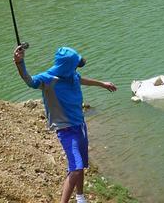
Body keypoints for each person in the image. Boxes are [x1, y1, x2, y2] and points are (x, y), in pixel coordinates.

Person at [13, 45, 117, 203]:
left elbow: (81, 79)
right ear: (67, 65)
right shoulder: (48, 79)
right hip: (66, 130)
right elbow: (30, 81)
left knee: (81, 165)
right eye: (75, 64)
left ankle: (80, 197)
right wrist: (19, 63)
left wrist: (102, 84)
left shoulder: (71, 74)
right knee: (75, 168)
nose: (76, 67)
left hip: (80, 126)